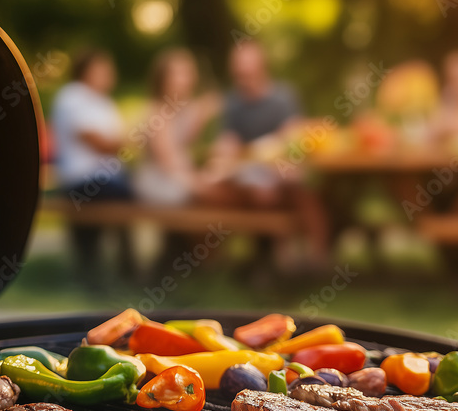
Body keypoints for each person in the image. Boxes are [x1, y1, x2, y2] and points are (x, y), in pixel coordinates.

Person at [206, 41, 329, 269]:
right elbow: (227, 141)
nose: (244, 79)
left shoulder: (283, 97)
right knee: (258, 192)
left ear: (263, 68)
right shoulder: (233, 102)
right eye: (239, 74)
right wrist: (224, 151)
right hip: (251, 172)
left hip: (283, 167)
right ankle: (276, 255)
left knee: (301, 187)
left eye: (249, 72)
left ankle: (317, 258)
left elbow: (293, 137)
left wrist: (279, 156)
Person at [135, 48, 222, 278]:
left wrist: (202, 117)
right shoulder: (156, 112)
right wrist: (196, 181)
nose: (185, 79)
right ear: (162, 79)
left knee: (216, 194)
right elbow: (168, 162)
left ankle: (194, 261)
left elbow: (186, 143)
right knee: (208, 196)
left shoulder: (185, 109)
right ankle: (196, 264)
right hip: (159, 179)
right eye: (178, 73)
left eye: (188, 73)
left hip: (177, 173)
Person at [50, 48, 135, 284]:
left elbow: (116, 144)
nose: (109, 73)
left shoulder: (103, 102)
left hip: (104, 178)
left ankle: (107, 270)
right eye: (103, 68)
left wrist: (123, 142)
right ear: (87, 70)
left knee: (127, 194)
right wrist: (129, 140)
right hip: (81, 179)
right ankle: (125, 268)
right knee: (127, 195)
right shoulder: (73, 96)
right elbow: (101, 143)